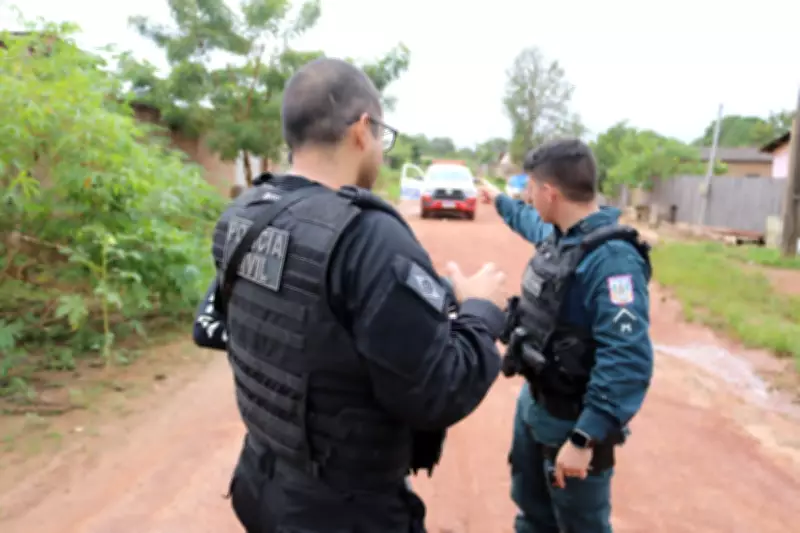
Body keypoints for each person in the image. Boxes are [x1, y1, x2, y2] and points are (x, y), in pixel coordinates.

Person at [205, 57, 508, 533]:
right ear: (363, 130)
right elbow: (438, 391)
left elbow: (306, 316)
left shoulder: (244, 213)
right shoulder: (368, 236)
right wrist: (479, 310)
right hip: (344, 513)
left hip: (262, 486)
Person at [479, 139, 653, 533]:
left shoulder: (613, 262)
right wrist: (499, 201)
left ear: (549, 193)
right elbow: (529, 222)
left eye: (529, 189)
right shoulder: (561, 233)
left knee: (580, 526)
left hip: (573, 421)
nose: (525, 196)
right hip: (537, 401)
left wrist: (583, 438)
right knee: (532, 513)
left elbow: (626, 358)